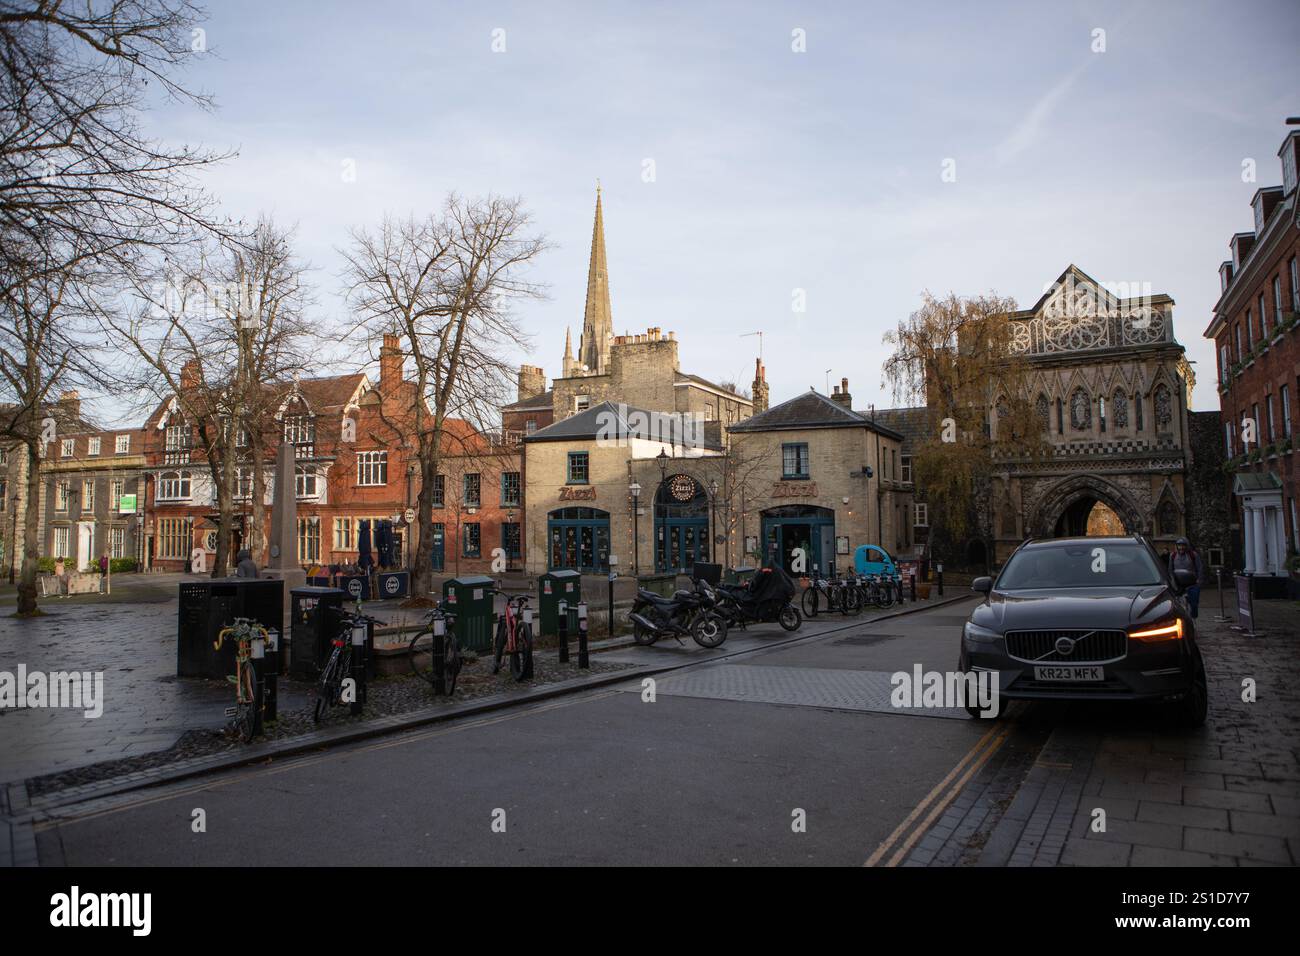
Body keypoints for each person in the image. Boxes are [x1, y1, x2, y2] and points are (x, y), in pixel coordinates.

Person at [1169, 537, 1203, 618]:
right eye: (1179, 545)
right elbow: (1170, 570)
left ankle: (1193, 619)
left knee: (1194, 604)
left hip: (1192, 584)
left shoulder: (1193, 555)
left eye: (1183, 545)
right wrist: (1172, 582)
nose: (1181, 547)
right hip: (1179, 584)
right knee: (1180, 606)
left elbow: (1200, 567)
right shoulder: (1173, 555)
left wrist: (1199, 580)